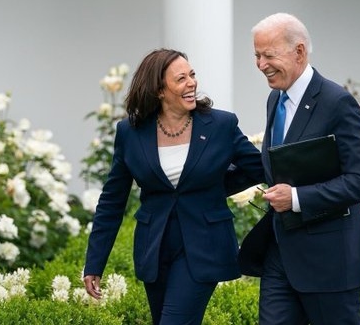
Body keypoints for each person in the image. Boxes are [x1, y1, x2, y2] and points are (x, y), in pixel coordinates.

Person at [83, 48, 264, 325]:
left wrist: (216, 186)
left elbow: (258, 168)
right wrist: (94, 263)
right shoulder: (130, 132)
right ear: (159, 90)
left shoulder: (221, 125)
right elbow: (112, 201)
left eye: (192, 75)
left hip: (204, 247)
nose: (191, 83)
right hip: (154, 249)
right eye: (181, 79)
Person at [239, 13, 360, 324]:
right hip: (280, 255)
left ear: (299, 52)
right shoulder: (275, 99)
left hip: (330, 262)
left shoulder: (337, 102)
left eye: (269, 55)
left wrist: (297, 198)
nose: (260, 64)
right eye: (257, 55)